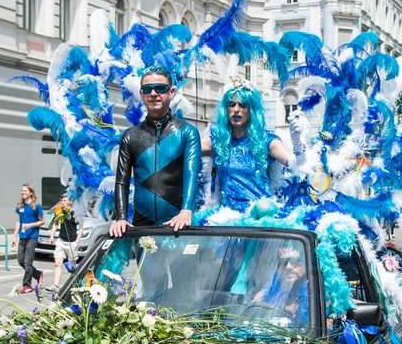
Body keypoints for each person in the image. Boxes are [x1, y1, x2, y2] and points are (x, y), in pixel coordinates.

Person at [109, 67, 202, 237]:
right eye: (147, 89)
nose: (153, 93)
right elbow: (122, 181)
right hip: (142, 227)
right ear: (141, 94)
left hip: (178, 225)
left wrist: (186, 210)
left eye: (160, 88)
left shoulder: (187, 132)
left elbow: (191, 174)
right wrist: (121, 217)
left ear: (172, 92)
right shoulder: (130, 136)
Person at [200, 80, 291, 210]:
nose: (236, 110)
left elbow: (294, 163)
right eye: (232, 104)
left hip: (259, 217)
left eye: (243, 105)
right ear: (225, 109)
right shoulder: (218, 141)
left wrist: (299, 145)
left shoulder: (266, 140)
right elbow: (187, 148)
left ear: (251, 110)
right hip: (227, 217)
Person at [253, 246, 310, 327]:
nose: (288, 267)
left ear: (307, 264)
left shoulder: (317, 299)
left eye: (295, 261)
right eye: (283, 262)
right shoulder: (263, 296)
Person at [14, 184, 44, 295]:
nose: (22, 192)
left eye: (25, 191)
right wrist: (14, 235)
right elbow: (19, 221)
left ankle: (27, 285)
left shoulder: (36, 206)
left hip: (32, 237)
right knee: (20, 261)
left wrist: (30, 225)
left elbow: (42, 221)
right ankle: (37, 274)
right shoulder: (20, 206)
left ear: (31, 193)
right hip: (22, 236)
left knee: (27, 262)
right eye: (22, 191)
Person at [50, 196, 79, 287]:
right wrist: (51, 236)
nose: (62, 202)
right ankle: (55, 285)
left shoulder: (75, 213)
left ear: (70, 202)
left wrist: (77, 242)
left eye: (64, 200)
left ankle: (75, 285)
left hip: (72, 242)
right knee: (57, 263)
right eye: (62, 200)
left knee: (72, 267)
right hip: (61, 241)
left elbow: (81, 228)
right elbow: (55, 224)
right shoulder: (59, 212)